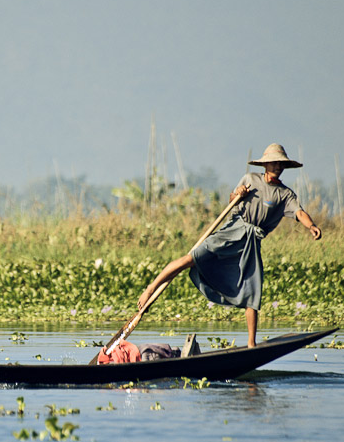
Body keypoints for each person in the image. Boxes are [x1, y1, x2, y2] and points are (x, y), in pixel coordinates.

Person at [137, 143, 322, 348]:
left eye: (281, 164)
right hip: (232, 230)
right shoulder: (250, 180)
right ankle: (150, 289)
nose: (278, 166)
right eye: (275, 163)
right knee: (190, 259)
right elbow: (231, 200)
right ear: (266, 164)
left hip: (251, 242)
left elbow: (299, 212)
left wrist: (311, 225)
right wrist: (238, 195)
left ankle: (251, 345)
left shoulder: (285, 194)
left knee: (253, 290)